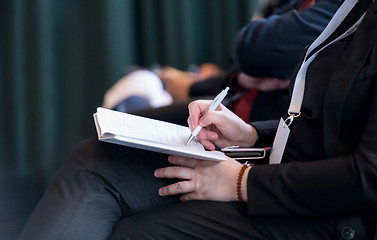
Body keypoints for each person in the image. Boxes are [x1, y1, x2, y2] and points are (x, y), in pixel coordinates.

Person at [18, 0, 377, 239]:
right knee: (94, 158)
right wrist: (251, 136)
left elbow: (368, 178)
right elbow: (324, 123)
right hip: (277, 162)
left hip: (331, 211)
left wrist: (242, 182)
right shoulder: (355, 7)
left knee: (128, 232)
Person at [105, 0, 341, 126]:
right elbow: (242, 63)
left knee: (103, 147)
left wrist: (192, 86)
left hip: (257, 128)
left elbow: (252, 50)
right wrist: (236, 77)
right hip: (235, 107)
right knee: (116, 122)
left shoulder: (347, 6)